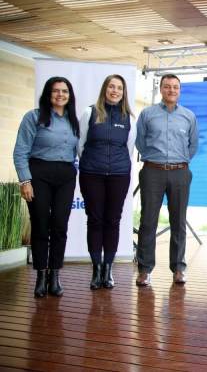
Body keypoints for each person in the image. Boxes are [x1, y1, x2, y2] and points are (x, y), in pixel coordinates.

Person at [13, 76, 80, 298]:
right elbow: (20, 151)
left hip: (66, 177)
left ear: (70, 95)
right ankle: (41, 276)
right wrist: (25, 181)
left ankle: (55, 276)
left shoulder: (73, 119)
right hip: (39, 174)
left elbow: (77, 151)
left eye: (65, 91)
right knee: (41, 224)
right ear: (48, 93)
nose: (60, 95)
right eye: (56, 91)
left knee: (60, 225)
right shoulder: (33, 117)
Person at [135, 74, 198, 287]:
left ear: (179, 91)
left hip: (180, 172)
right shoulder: (147, 114)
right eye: (167, 87)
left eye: (175, 87)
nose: (171, 90)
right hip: (153, 171)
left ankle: (178, 268)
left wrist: (179, 163)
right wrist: (156, 159)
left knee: (178, 221)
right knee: (148, 222)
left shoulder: (189, 116)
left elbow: (193, 145)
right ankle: (144, 270)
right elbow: (140, 142)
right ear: (161, 89)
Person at [78, 75, 136, 290]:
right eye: (111, 87)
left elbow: (129, 149)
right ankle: (96, 270)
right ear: (105, 89)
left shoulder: (129, 117)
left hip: (119, 175)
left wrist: (117, 166)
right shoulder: (90, 112)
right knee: (95, 220)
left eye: (119, 88)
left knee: (112, 221)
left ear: (123, 92)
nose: (115, 91)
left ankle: (108, 270)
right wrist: (92, 163)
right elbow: (80, 144)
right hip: (92, 174)